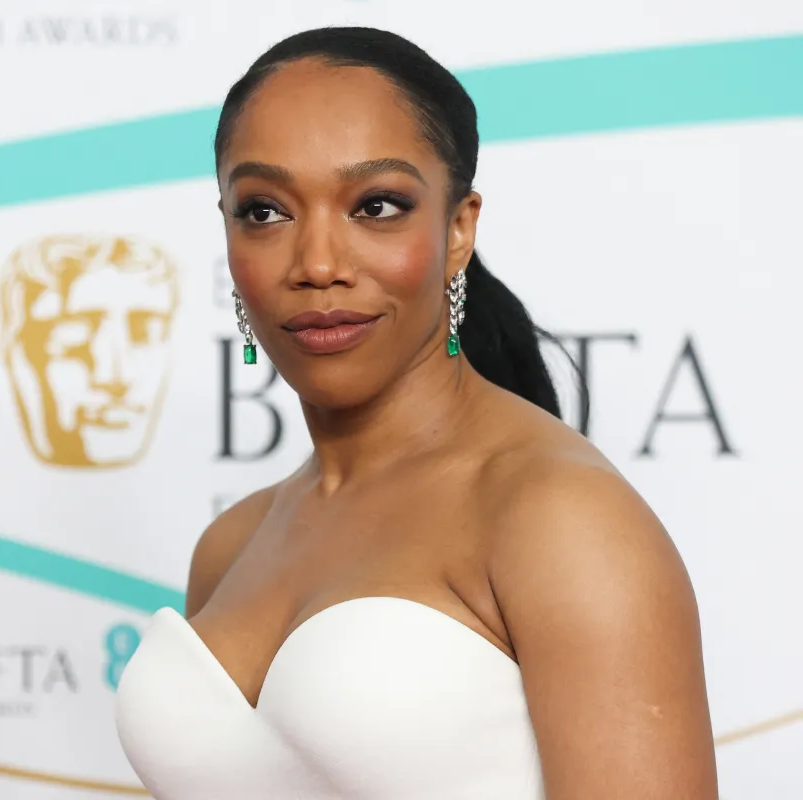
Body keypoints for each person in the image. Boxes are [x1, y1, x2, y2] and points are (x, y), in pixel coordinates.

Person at [114, 26, 718, 800]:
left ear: (458, 229)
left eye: (376, 205)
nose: (318, 264)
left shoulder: (555, 515)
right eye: (264, 211)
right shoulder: (230, 548)